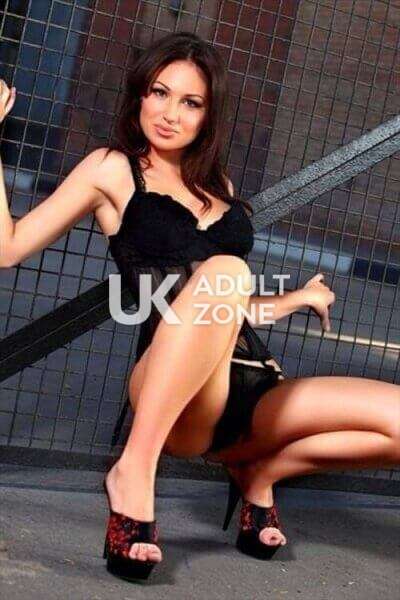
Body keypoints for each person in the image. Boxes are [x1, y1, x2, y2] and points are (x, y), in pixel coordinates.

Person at [0, 31, 399, 583]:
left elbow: (222, 305)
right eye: (160, 93)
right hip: (176, 398)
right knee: (228, 270)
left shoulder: (217, 184)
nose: (170, 114)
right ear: (140, 94)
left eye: (190, 103)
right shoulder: (111, 169)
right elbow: (8, 248)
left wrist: (295, 299)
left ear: (208, 116)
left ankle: (260, 472)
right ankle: (134, 469)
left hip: (253, 386)